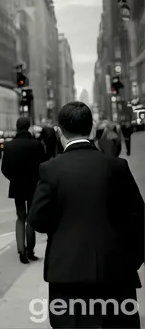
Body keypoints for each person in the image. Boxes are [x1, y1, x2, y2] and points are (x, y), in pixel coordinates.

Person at [28, 102, 144, 328]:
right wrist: (133, 260)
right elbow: (138, 217)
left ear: (60, 131)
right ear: (91, 128)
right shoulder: (117, 166)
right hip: (116, 269)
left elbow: (37, 219)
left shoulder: (51, 169)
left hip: (68, 272)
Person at [1, 117, 46, 264]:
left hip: (17, 184)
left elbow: (4, 169)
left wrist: (14, 178)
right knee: (31, 218)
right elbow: (43, 166)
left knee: (20, 216)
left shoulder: (9, 145)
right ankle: (30, 250)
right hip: (33, 185)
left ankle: (21, 250)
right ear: (28, 127)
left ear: (16, 127)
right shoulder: (36, 145)